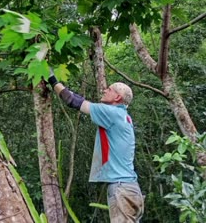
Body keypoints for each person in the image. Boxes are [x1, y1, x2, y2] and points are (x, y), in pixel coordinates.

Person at [48, 72, 144, 222]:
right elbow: (82, 100)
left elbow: (73, 101)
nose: (105, 90)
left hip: (121, 189)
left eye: (110, 89)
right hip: (130, 188)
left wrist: (52, 79)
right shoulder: (122, 115)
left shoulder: (111, 113)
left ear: (118, 97)